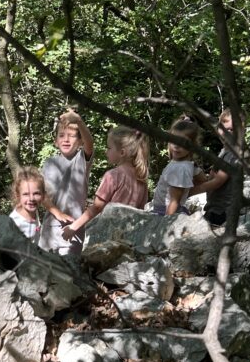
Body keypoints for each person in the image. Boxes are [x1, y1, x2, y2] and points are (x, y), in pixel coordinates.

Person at [62, 126, 149, 240]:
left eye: (109, 148)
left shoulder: (113, 176)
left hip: (108, 234)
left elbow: (97, 208)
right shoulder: (141, 178)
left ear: (122, 152)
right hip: (129, 237)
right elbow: (141, 210)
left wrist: (73, 227)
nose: (106, 151)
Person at [38, 109, 93, 254]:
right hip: (49, 230)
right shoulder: (49, 163)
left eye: (72, 136)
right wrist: (57, 213)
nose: (66, 140)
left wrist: (78, 121)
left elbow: (89, 144)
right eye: (61, 135)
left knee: (68, 267)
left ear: (80, 142)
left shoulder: (81, 159)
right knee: (43, 265)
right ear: (55, 142)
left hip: (73, 229)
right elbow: (42, 195)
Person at [191, 108, 246, 226]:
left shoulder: (234, 153)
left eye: (232, 130)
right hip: (215, 207)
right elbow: (212, 177)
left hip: (223, 211)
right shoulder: (225, 150)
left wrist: (190, 192)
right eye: (224, 129)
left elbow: (218, 181)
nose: (227, 133)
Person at [152, 119, 201, 216]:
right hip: (166, 209)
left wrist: (166, 221)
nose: (177, 145)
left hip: (166, 212)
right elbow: (202, 179)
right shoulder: (187, 164)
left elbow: (174, 201)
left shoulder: (180, 168)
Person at [9, 166, 66, 243]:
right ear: (18, 196)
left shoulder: (30, 211)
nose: (31, 199)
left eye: (36, 193)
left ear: (43, 195)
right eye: (26, 194)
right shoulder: (16, 224)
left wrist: (58, 213)